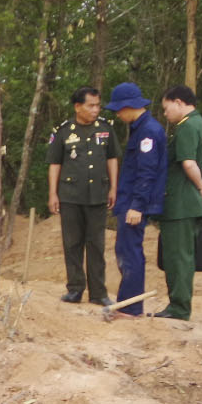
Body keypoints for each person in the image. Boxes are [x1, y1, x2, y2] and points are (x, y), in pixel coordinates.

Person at [46, 86, 120, 305]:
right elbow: (55, 163)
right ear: (78, 107)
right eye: (91, 105)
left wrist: (114, 188)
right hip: (70, 195)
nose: (95, 110)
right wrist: (53, 193)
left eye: (98, 105)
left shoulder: (106, 128)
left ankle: (98, 293)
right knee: (72, 243)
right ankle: (75, 289)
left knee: (96, 245)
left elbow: (112, 159)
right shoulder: (63, 131)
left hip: (97, 194)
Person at [154, 86, 202, 321]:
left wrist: (201, 185)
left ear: (178, 102)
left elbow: (188, 163)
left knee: (177, 257)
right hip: (188, 204)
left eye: (166, 108)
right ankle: (178, 305)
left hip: (180, 203)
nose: (165, 114)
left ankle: (179, 308)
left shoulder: (188, 126)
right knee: (182, 256)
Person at [107, 82, 167, 319]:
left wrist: (137, 205)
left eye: (119, 110)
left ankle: (131, 309)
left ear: (129, 106)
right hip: (128, 199)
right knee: (124, 250)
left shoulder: (148, 132)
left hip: (135, 203)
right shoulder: (139, 128)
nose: (118, 115)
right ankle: (127, 304)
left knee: (130, 252)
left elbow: (147, 172)